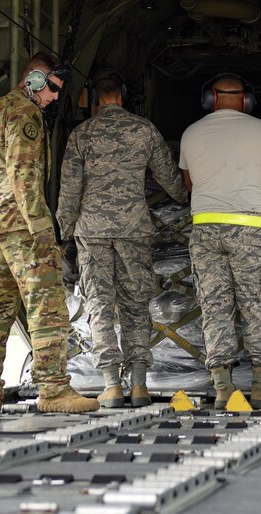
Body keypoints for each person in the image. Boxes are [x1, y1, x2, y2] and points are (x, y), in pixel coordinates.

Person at [0, 52, 99, 414]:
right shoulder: (25, 113)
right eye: (53, 89)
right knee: (47, 306)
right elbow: (24, 175)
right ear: (35, 80)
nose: (55, 98)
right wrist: (43, 229)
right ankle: (54, 390)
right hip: (20, 226)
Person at [178, 73, 261, 409]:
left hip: (205, 230)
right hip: (250, 230)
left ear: (210, 98)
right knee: (259, 305)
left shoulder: (190, 133)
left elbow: (190, 182)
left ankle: (223, 389)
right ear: (247, 100)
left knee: (215, 307)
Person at [57, 68, 188, 408]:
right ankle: (141, 385)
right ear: (123, 95)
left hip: (92, 231)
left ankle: (112, 385)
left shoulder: (81, 134)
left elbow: (69, 190)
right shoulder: (144, 130)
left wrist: (64, 230)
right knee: (135, 305)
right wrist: (185, 199)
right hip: (133, 228)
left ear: (94, 99)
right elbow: (170, 179)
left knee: (100, 304)